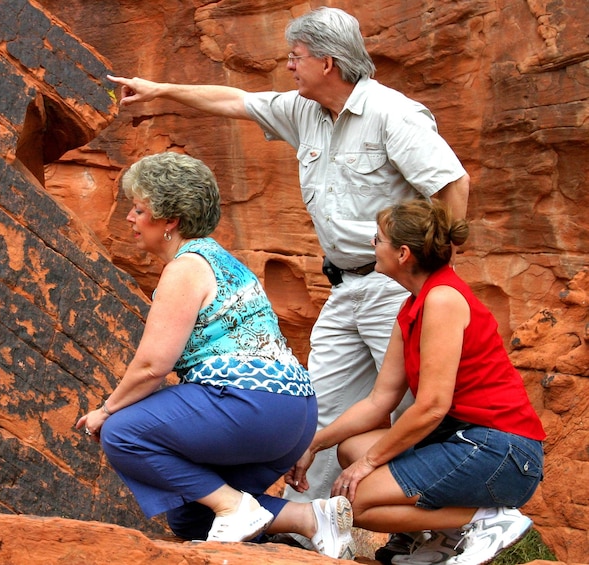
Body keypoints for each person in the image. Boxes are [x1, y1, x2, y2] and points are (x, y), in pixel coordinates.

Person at [107, 7, 470, 560]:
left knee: (424, 402)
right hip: (345, 287)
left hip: (398, 284)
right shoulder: (306, 111)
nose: (289, 67)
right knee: (319, 409)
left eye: (295, 58)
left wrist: (434, 272)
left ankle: (452, 529)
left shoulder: (391, 114)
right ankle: (316, 530)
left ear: (327, 61)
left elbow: (451, 184)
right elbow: (234, 101)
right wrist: (160, 91)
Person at [75, 152, 352, 558]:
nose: (131, 219)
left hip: (252, 406)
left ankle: (233, 505)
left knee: (122, 433)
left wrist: (107, 410)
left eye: (139, 209)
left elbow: (153, 365)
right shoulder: (221, 259)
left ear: (169, 220)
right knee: (190, 517)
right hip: (294, 416)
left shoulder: (186, 267)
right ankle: (312, 518)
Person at [285, 199, 546, 565]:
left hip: (500, 451)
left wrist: (367, 466)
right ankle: (441, 539)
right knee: (351, 450)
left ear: (403, 253)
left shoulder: (442, 299)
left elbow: (431, 406)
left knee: (354, 502)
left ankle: (486, 519)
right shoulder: (413, 304)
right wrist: (314, 444)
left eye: (378, 240)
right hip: (465, 441)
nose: (372, 246)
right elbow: (380, 401)